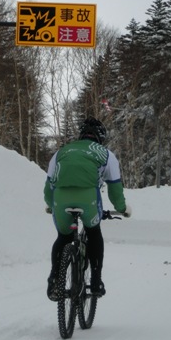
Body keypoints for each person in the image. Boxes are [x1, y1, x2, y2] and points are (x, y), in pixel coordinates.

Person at [44, 117, 131, 301]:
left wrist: (51, 205)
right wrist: (122, 208)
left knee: (63, 237)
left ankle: (54, 281)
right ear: (101, 137)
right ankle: (96, 282)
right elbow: (115, 189)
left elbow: (48, 186)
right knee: (93, 232)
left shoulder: (61, 152)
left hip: (60, 199)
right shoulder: (106, 154)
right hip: (88, 198)